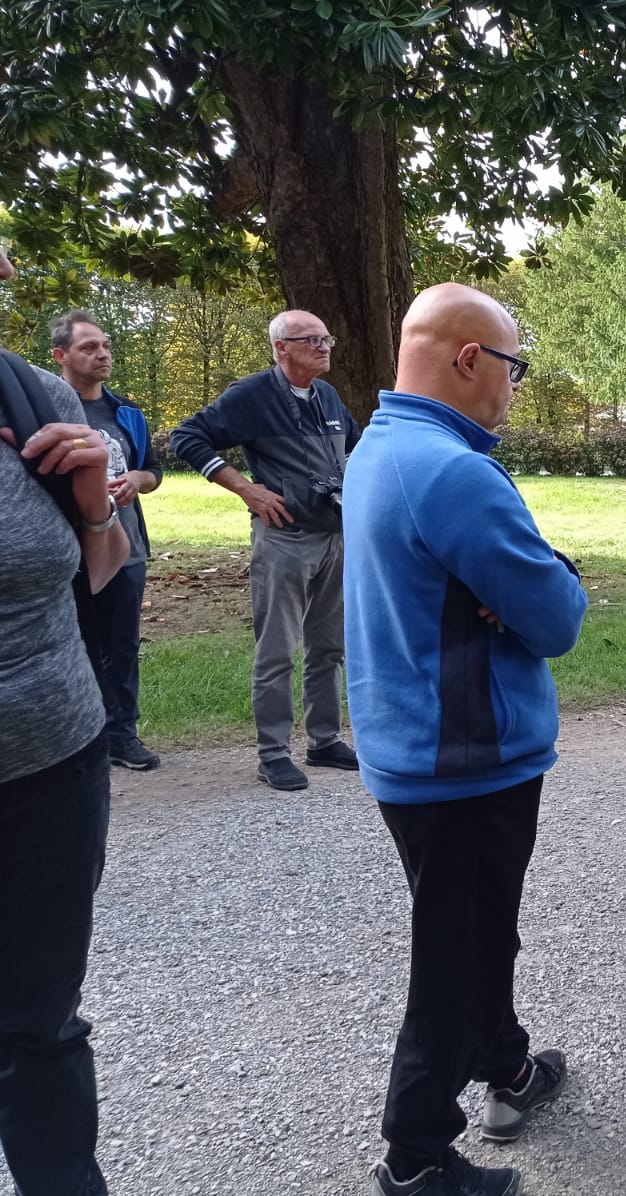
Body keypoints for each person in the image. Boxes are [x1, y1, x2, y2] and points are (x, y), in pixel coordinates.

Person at [343, 284, 589, 1196]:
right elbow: (557, 616)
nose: (516, 388)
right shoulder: (452, 470)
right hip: (464, 759)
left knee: (481, 930)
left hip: (418, 746)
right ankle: (414, 1157)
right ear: (468, 360)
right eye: (514, 367)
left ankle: (508, 1063)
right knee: (453, 951)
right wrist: (555, 572)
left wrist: (517, 584)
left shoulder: (381, 445)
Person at [0, 241, 130, 1196]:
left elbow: (98, 570)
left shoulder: (27, 394)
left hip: (54, 763)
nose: (8, 269)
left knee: (42, 1021)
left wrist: (93, 510)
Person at [170, 310, 362, 791]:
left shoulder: (329, 396)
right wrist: (246, 490)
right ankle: (273, 753)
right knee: (278, 649)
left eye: (327, 337)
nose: (324, 347)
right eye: (311, 340)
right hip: (286, 539)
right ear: (281, 347)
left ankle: (324, 741)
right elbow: (187, 437)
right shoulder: (252, 395)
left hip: (335, 535)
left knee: (329, 646)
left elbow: (358, 446)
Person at [51, 308, 164, 770]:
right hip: (64, 551)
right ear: (61, 355)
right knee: (71, 643)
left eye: (106, 345)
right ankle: (76, 737)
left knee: (121, 644)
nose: (103, 354)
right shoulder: (44, 410)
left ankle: (121, 733)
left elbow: (154, 472)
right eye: (89, 347)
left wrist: (137, 478)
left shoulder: (126, 414)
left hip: (126, 547)